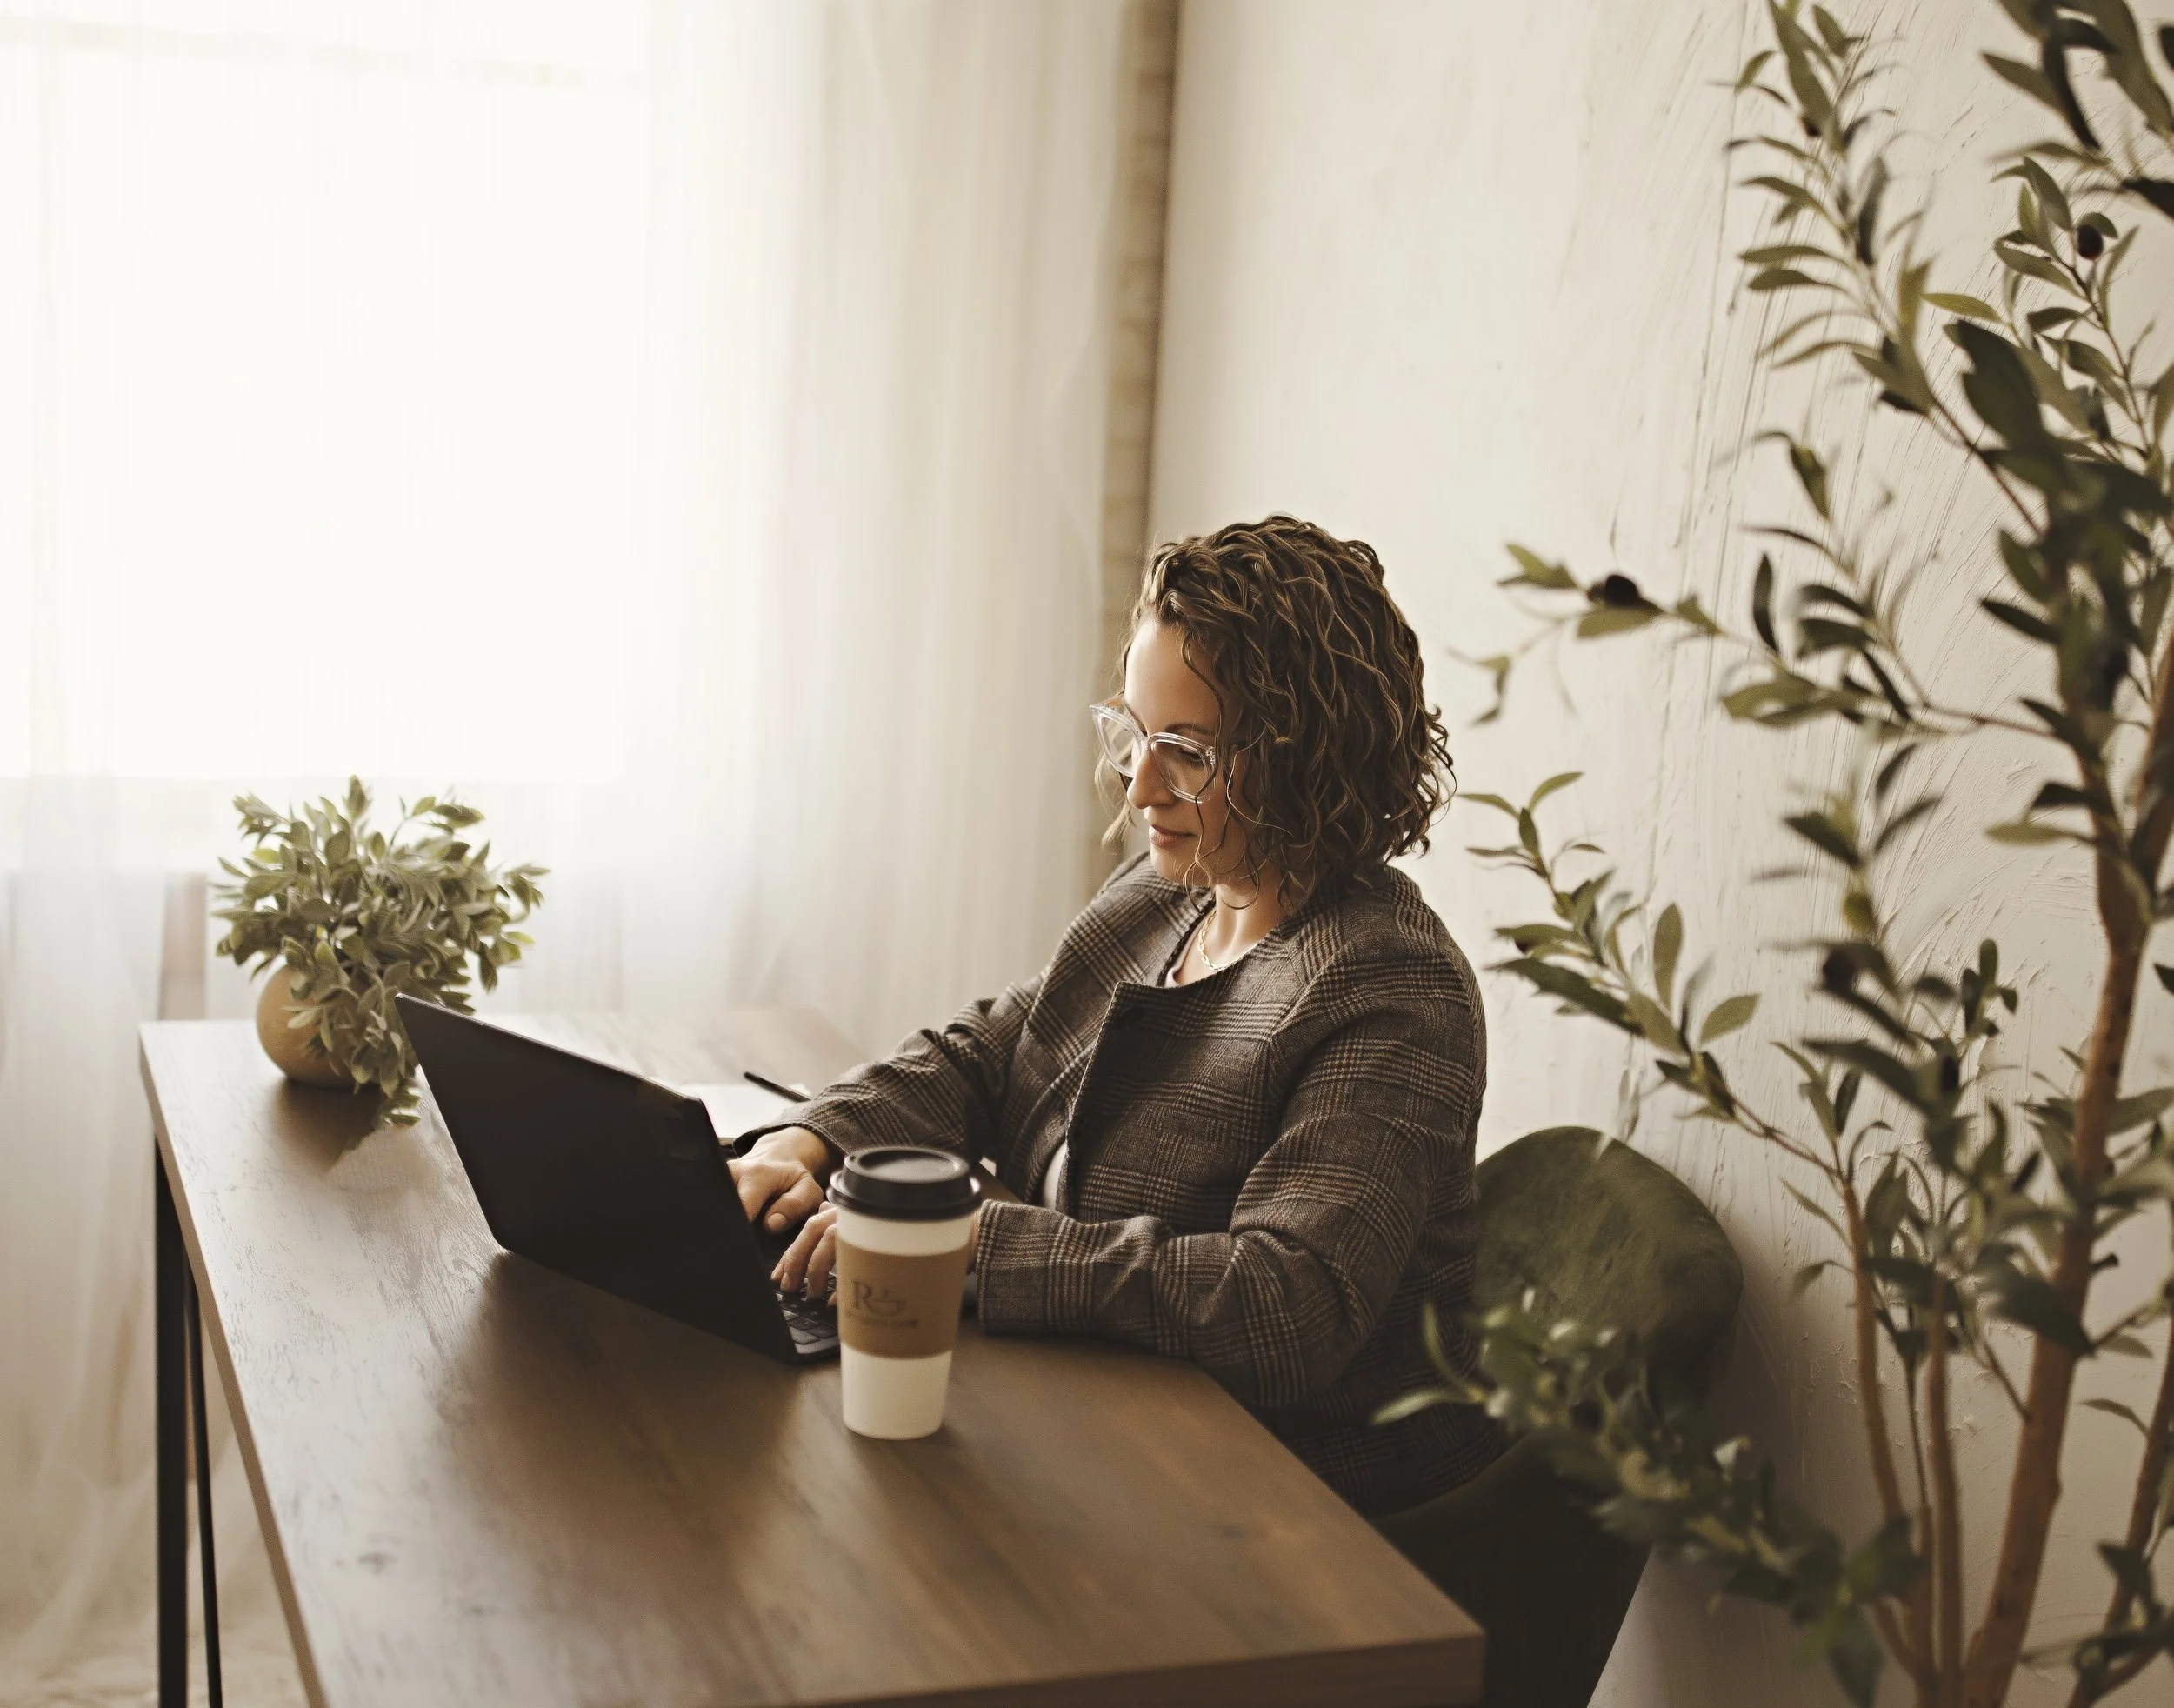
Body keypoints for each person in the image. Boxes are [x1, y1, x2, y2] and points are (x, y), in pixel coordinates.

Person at [731, 515, 1495, 1518]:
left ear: (1310, 755)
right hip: (1109, 1416)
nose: (1139, 784)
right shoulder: (1171, 890)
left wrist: (971, 1245)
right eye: (1132, 734)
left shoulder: (1390, 989)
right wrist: (812, 1134)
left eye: (1184, 750)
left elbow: (1283, 1302)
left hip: (1290, 1515)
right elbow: (993, 1049)